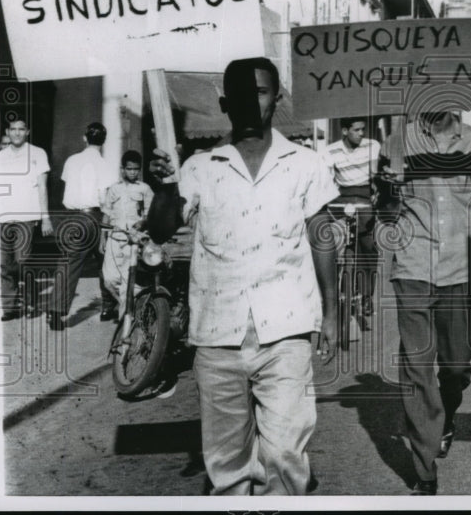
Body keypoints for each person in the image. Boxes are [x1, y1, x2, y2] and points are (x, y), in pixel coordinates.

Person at [148, 57, 339, 495]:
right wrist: (163, 185)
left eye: (262, 91)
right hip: (218, 332)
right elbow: (161, 228)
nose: (253, 102)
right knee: (228, 461)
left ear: (278, 97)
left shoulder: (305, 163)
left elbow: (322, 238)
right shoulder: (198, 167)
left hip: (286, 329)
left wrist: (332, 312)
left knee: (286, 454)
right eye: (241, 93)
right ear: (224, 102)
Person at [376, 110, 471, 495]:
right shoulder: (397, 141)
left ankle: (446, 415)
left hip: (462, 269)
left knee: (456, 367)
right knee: (417, 365)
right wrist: (387, 191)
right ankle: (424, 465)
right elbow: (385, 213)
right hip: (413, 264)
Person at [50, 122, 114, 330]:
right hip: (94, 216)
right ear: (103, 141)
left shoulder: (72, 161)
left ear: (84, 138)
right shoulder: (104, 164)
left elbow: (67, 186)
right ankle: (108, 306)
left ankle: (57, 312)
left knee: (69, 263)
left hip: (72, 217)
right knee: (106, 261)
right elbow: (105, 197)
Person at [0, 118, 54, 320]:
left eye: (21, 129)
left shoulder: (37, 153)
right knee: (6, 265)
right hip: (3, 217)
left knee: (24, 262)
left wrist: (46, 218)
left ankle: (31, 304)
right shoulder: (0, 156)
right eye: (13, 129)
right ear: (7, 132)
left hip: (27, 216)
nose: (17, 133)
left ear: (27, 131)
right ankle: (10, 308)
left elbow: (43, 187)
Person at [322, 117, 381, 317]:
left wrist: (376, 188)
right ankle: (328, 293)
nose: (362, 133)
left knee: (368, 246)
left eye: (363, 129)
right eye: (357, 130)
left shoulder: (372, 145)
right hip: (340, 198)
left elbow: (374, 174)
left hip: (364, 196)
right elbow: (328, 180)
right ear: (345, 131)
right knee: (328, 243)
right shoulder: (330, 150)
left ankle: (365, 296)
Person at [100, 150, 154, 318]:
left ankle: (126, 316)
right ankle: (122, 304)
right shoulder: (113, 189)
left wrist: (142, 223)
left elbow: (149, 214)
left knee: (127, 281)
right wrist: (102, 238)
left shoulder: (145, 189)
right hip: (114, 238)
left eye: (136, 169)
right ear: (122, 169)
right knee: (109, 279)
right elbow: (107, 214)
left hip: (133, 240)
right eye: (129, 169)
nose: (133, 172)